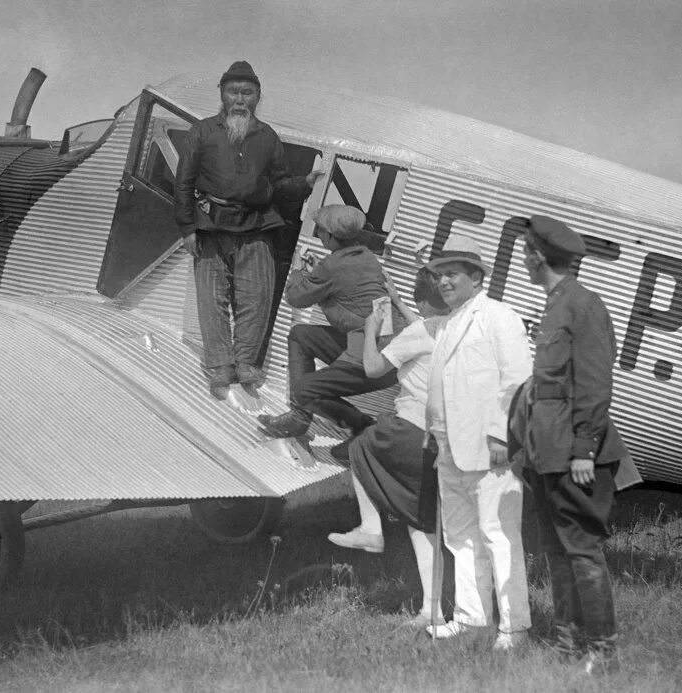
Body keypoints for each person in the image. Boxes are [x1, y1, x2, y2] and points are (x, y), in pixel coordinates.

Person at [514, 215, 641, 674]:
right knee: (556, 550)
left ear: (535, 255)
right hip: (548, 449)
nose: (524, 259)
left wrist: (584, 448)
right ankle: (568, 643)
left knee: (583, 551)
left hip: (574, 452)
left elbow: (593, 382)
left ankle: (603, 651)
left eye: (526, 252)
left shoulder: (583, 305)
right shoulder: (557, 303)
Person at [174, 60, 324, 399]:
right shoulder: (202, 131)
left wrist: (304, 184)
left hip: (256, 223)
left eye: (247, 92)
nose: (240, 99)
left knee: (256, 297)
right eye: (233, 92)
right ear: (222, 95)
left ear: (257, 97)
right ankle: (219, 365)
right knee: (211, 298)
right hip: (210, 224)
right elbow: (183, 182)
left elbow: (281, 182)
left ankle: (245, 362)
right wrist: (187, 227)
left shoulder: (267, 136)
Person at [424, 234, 533, 652]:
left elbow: (517, 381)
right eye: (439, 275)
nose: (444, 282)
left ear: (476, 277)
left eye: (452, 274)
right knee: (461, 536)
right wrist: (436, 437)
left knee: (499, 535)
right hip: (450, 449)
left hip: (492, 450)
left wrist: (502, 435)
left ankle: (514, 627)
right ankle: (471, 618)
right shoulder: (450, 322)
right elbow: (444, 387)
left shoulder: (497, 316)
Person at [326, 268, 451, 627]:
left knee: (358, 447)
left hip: (411, 427)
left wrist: (370, 331)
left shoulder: (417, 331)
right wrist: (397, 301)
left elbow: (372, 367)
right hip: (443, 439)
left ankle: (371, 528)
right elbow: (428, 323)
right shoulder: (455, 328)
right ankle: (433, 611)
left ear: (423, 303)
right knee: (423, 523)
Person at [257, 205, 403, 443]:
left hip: (368, 359)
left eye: (321, 231)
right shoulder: (367, 259)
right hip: (388, 354)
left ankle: (364, 428)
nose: (319, 234)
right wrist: (317, 276)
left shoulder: (331, 267)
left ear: (332, 237)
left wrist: (297, 271)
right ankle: (299, 418)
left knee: (304, 390)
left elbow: (295, 298)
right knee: (301, 334)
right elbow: (345, 299)